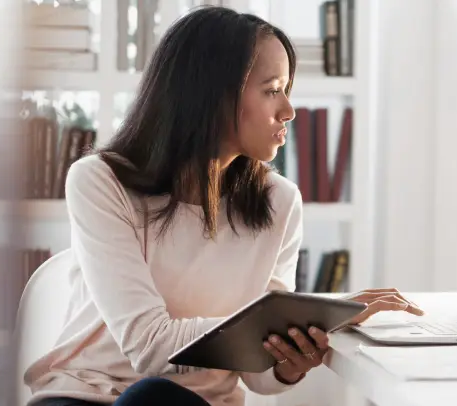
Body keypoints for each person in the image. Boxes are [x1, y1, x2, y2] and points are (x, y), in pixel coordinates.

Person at [23, 6, 423, 406]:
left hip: (194, 404)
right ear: (211, 93)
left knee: (156, 399)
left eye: (287, 90)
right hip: (83, 396)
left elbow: (259, 378)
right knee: (151, 396)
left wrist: (289, 360)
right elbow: (147, 346)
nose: (289, 110)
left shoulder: (280, 202)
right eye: (272, 90)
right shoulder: (100, 181)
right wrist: (311, 315)